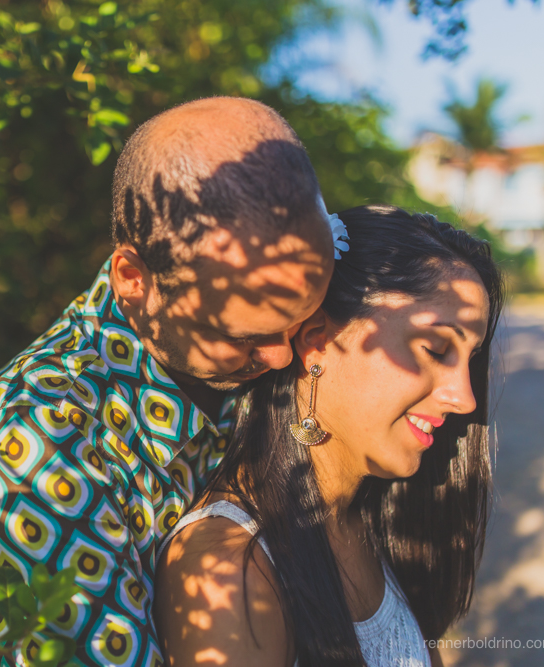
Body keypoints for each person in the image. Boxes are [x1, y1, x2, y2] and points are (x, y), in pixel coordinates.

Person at [0, 96, 336, 666]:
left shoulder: (241, 346)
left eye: (301, 322)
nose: (281, 358)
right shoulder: (43, 442)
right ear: (135, 279)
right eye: (247, 336)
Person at [155, 205, 504, 667]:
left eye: (469, 358)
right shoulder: (229, 574)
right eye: (436, 349)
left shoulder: (377, 520)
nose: (465, 398)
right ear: (318, 339)